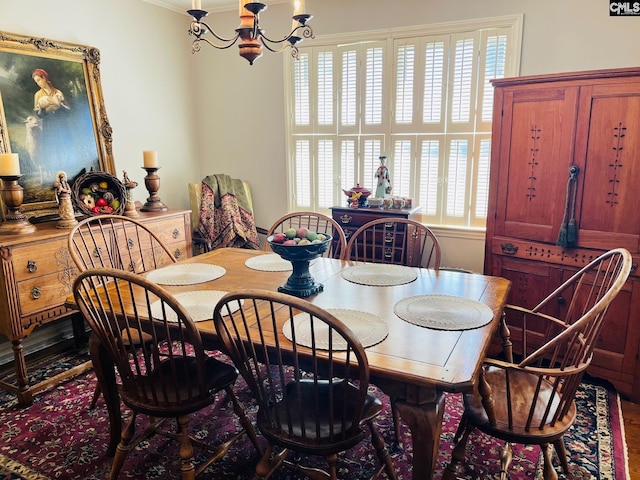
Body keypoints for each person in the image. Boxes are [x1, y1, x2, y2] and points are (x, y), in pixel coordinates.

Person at [32, 69, 72, 181]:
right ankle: (54, 175)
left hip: (61, 124)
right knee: (52, 147)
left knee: (63, 146)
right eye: (36, 82)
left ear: (44, 78)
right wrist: (41, 108)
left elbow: (68, 111)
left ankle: (68, 171)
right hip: (49, 125)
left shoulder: (57, 92)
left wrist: (61, 104)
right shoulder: (38, 95)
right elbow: (39, 115)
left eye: (39, 80)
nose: (38, 83)